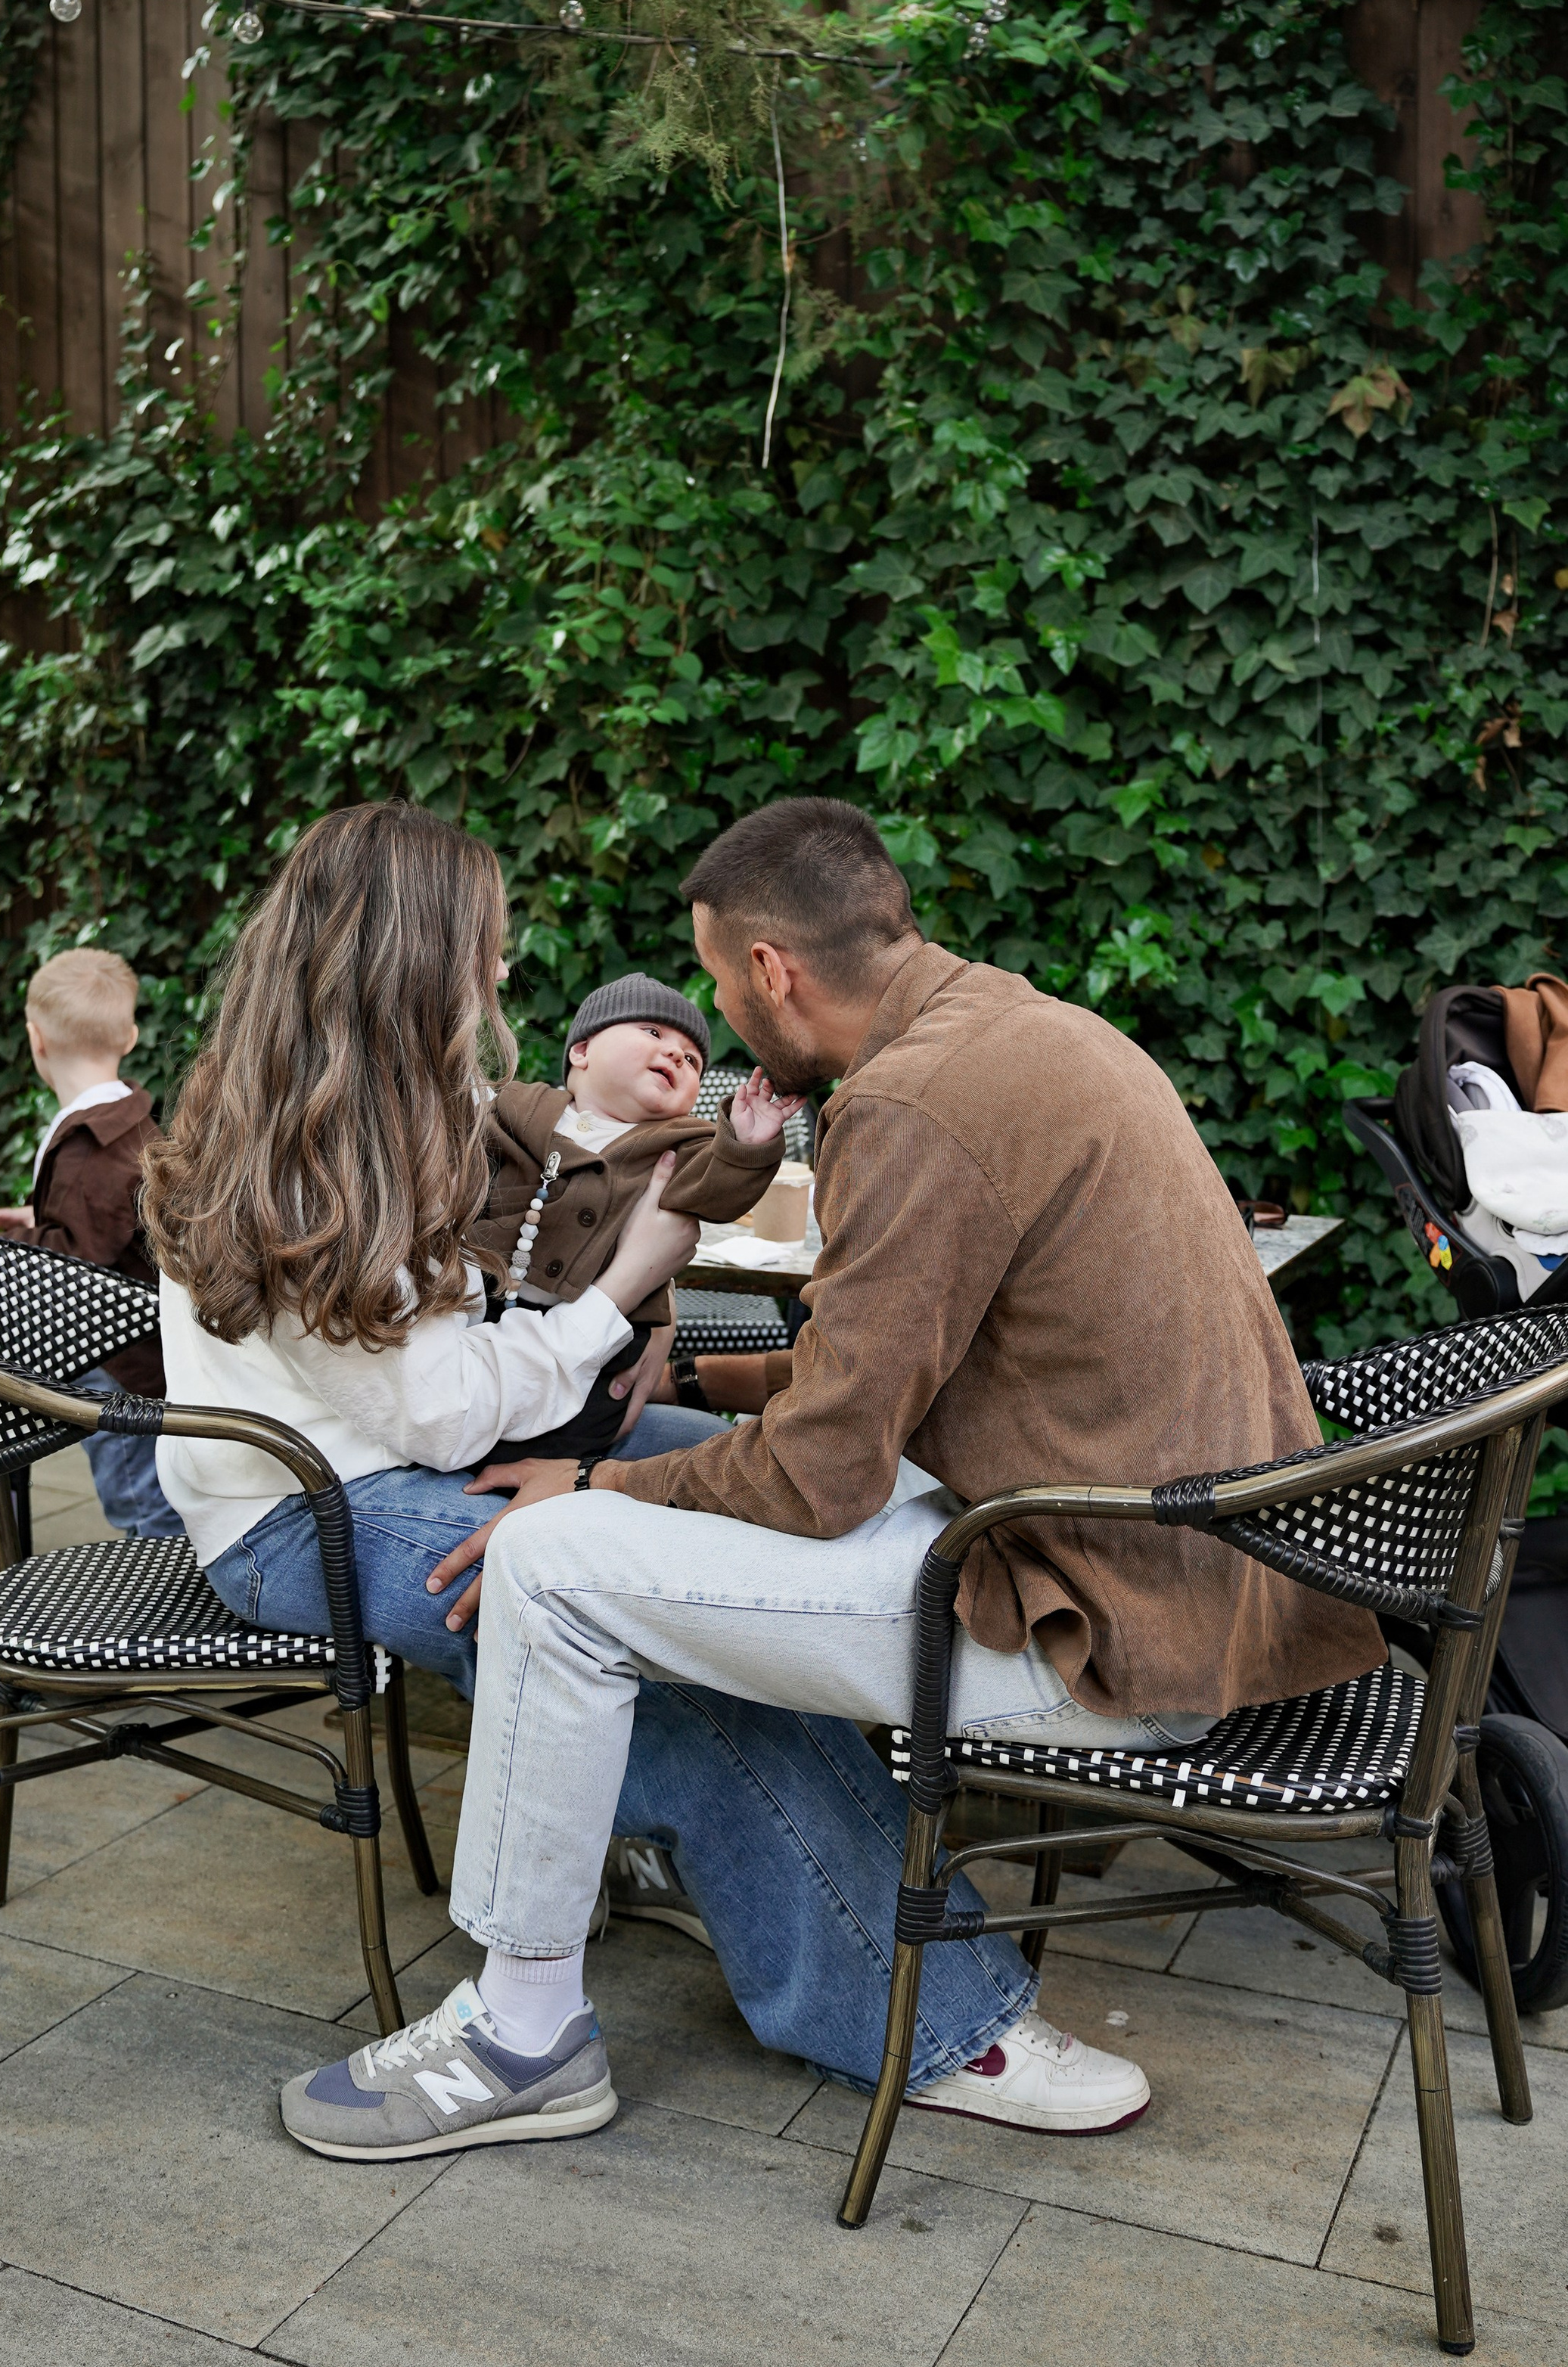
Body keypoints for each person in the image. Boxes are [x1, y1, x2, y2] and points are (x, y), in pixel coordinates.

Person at [281, 796, 1384, 2166]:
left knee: (548, 1567)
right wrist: (701, 1390)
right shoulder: (1020, 1030)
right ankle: (855, 1975)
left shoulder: (913, 1104)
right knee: (627, 1539)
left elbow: (824, 1476)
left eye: (718, 987)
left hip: (1104, 1628)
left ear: (770, 973)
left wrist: (593, 1496)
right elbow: (923, 1372)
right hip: (1187, 1576)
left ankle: (522, 2035)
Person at [140, 800, 1054, 2147]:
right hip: (306, 1506)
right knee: (653, 1626)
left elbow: (468, 1355)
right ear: (410, 959)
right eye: (486, 949)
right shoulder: (298, 1154)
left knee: (766, 1486)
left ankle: (694, 1849)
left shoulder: (404, 1106)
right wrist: (622, 1292)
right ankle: (931, 2017)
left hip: (442, 1446)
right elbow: (442, 1419)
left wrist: (617, 1341)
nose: (503, 976)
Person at [476, 971, 796, 1463]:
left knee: (577, 1426)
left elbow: (721, 1190)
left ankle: (559, 1474)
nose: (675, 1054)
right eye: (653, 1032)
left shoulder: (680, 1147)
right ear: (581, 1052)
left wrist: (746, 1144)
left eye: (691, 1060)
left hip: (604, 1336)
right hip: (493, 1301)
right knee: (479, 1399)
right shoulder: (522, 1106)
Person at [0, 946, 182, 1542]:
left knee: (144, 1505)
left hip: (121, 1367)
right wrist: (39, 1213)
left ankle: (165, 1617)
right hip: (142, 1351)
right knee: (150, 1496)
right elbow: (108, 1220)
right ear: (131, 1035)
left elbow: (75, 1261)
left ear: (36, 1039)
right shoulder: (127, 1121)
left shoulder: (94, 1147)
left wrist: (20, 1238)